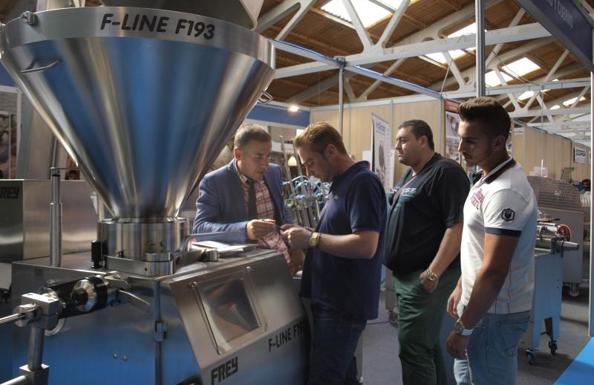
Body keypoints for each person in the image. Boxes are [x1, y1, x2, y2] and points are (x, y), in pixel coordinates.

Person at [282, 122, 386, 385]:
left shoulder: (362, 183)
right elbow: (340, 233)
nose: (308, 171)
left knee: (325, 378)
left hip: (342, 304)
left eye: (310, 163)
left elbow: (366, 244)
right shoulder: (340, 184)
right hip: (331, 300)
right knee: (344, 377)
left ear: (330, 151)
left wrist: (312, 239)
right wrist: (307, 234)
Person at [446, 97, 537, 385]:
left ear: (498, 142)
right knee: (466, 379)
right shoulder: (485, 179)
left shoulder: (505, 192)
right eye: (461, 139)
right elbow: (477, 245)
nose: (461, 149)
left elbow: (495, 270)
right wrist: (462, 284)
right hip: (481, 307)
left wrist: (465, 326)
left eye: (470, 142)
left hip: (494, 315)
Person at [384, 119, 470, 385]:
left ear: (423, 140)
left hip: (425, 278)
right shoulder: (411, 174)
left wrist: (433, 272)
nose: (397, 146)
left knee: (413, 348)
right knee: (427, 344)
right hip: (405, 276)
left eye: (403, 140)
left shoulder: (446, 172)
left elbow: (457, 225)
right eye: (396, 141)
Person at [193, 124, 300, 270]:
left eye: (268, 156)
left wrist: (293, 245)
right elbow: (200, 229)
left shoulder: (274, 172)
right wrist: (245, 229)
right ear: (238, 154)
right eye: (258, 157)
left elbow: (281, 209)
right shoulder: (214, 182)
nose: (265, 164)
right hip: (246, 271)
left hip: (283, 262)